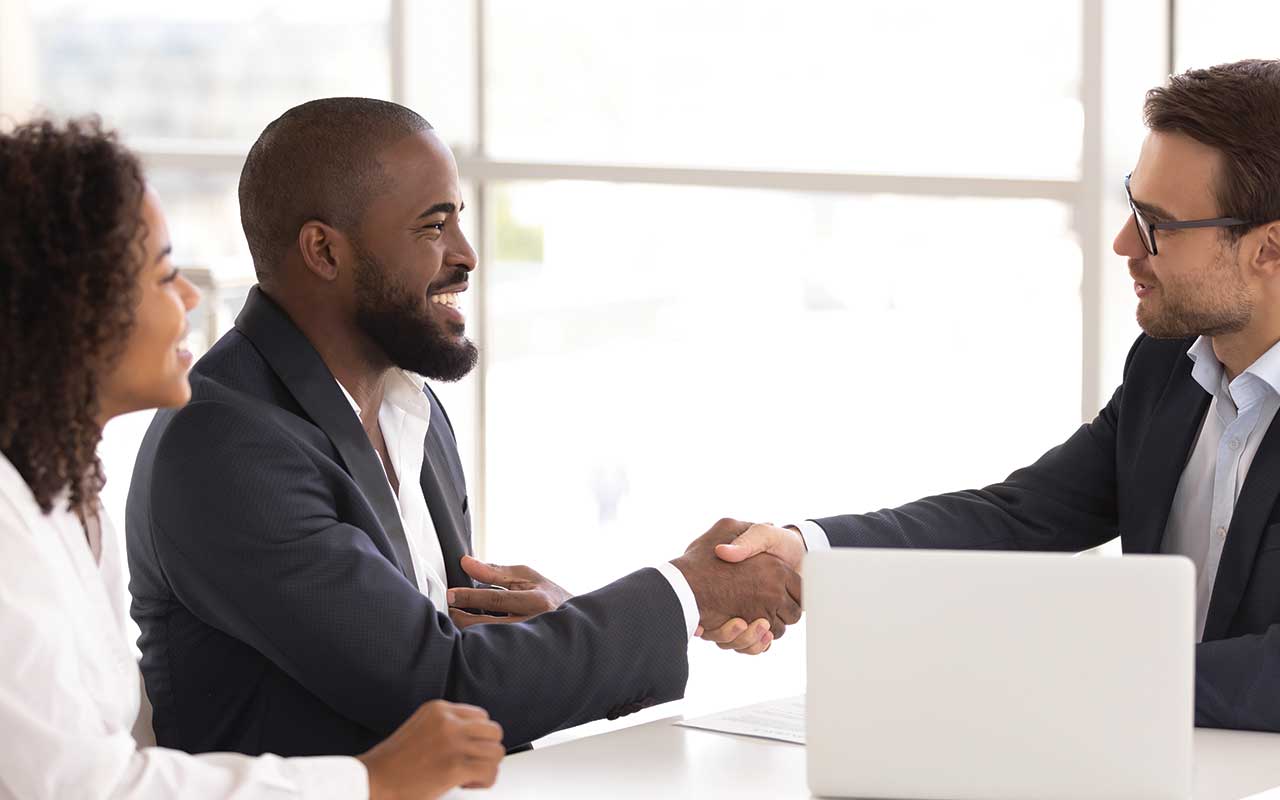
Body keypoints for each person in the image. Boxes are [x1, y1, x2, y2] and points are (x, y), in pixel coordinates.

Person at [125, 97, 802, 757]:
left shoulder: (409, 407)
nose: (468, 254)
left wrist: (571, 617)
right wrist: (687, 591)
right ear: (324, 251)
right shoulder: (227, 445)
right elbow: (439, 689)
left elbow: (452, 652)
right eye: (433, 226)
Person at [706, 59, 1280, 731]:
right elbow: (1021, 516)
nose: (1125, 243)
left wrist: (1061, 674)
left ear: (1267, 249)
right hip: (1154, 759)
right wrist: (803, 551)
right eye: (1132, 205)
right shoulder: (1166, 366)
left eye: (1159, 226)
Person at [0, 117, 505, 798]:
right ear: (61, 307)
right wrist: (369, 782)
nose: (188, 298)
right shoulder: (219, 446)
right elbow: (81, 788)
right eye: (163, 273)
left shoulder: (59, 492)